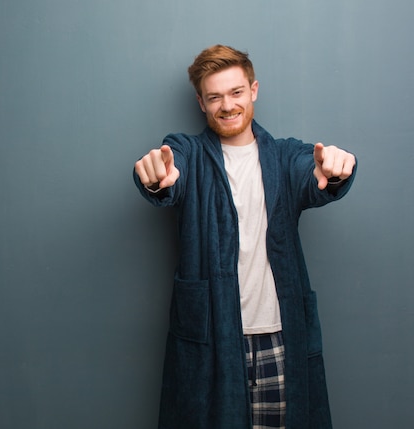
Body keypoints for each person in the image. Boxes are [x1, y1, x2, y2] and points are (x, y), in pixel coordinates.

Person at [133, 44, 357, 429]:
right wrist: (156, 179)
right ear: (201, 103)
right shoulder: (187, 151)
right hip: (212, 338)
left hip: (278, 337)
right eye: (214, 96)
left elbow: (315, 174)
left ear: (253, 90)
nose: (227, 105)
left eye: (236, 92)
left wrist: (335, 171)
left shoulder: (288, 156)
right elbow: (170, 172)